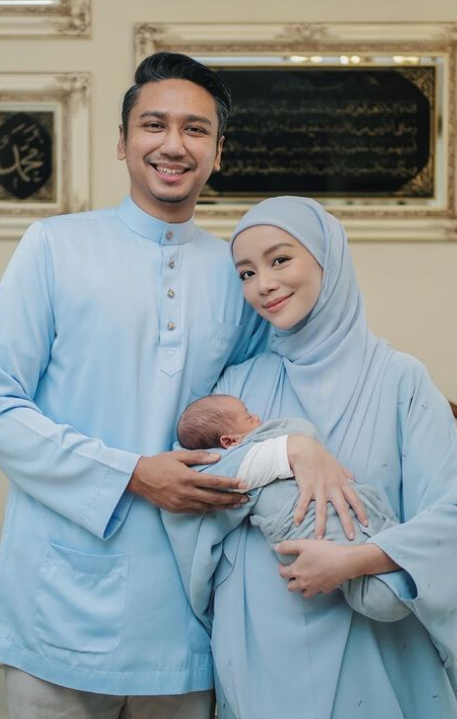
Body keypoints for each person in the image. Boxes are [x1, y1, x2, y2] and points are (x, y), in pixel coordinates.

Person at [0, 51, 274, 719]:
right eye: (154, 124)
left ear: (217, 152)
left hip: (190, 614)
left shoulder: (238, 273)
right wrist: (130, 474)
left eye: (195, 129)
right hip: (56, 605)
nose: (173, 144)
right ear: (122, 142)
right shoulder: (55, 246)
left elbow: (258, 416)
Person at [201, 196, 457, 719]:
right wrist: (286, 451)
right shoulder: (238, 383)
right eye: (246, 273)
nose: (263, 284)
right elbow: (197, 489)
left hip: (375, 651)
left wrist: (353, 562)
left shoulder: (399, 379)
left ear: (327, 258)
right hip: (258, 654)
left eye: (280, 259)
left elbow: (450, 514)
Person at [175, 393, 409, 623]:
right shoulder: (240, 462)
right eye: (247, 416)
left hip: (344, 512)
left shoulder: (274, 444)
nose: (257, 417)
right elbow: (204, 473)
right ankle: (379, 562)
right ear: (229, 441)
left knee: (373, 537)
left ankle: (381, 557)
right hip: (303, 525)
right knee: (382, 592)